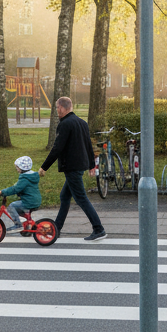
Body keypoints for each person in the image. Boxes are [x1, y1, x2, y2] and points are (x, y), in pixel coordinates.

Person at [38, 96, 106, 241]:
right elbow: (88, 145)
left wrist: (44, 167)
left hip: (72, 167)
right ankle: (56, 228)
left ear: (62, 107)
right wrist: (91, 165)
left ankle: (98, 228)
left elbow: (57, 148)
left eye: (57, 108)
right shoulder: (82, 123)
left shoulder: (65, 124)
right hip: (79, 166)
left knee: (81, 198)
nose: (57, 111)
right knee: (64, 197)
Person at [0, 155, 41, 234]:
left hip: (29, 202)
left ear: (22, 168)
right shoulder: (31, 176)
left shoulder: (24, 178)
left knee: (12, 206)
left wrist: (2, 192)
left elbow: (15, 189)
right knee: (20, 210)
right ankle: (27, 225)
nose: (16, 169)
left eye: (17, 167)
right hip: (35, 200)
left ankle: (18, 225)